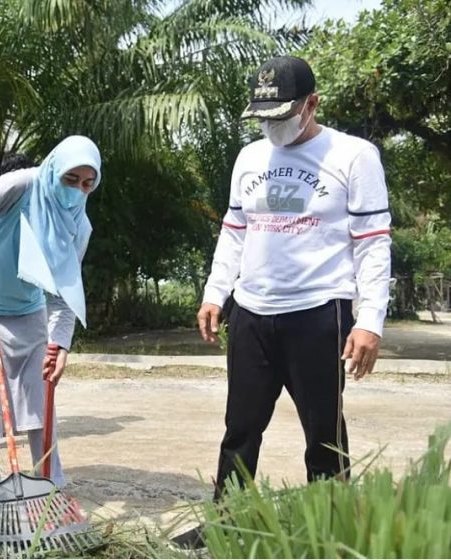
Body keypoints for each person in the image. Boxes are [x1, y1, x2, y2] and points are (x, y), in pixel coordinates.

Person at [174, 55, 392, 548]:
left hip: (319, 312)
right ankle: (226, 524)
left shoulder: (354, 156)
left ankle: (332, 525)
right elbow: (234, 232)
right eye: (264, 118)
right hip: (252, 311)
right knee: (240, 427)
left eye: (283, 115)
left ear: (312, 104)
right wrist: (216, 293)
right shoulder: (250, 159)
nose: (273, 127)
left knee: (323, 431)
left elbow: (373, 242)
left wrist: (370, 320)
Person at [0, 135, 101, 500]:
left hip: (29, 311)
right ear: (54, 170)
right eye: (70, 180)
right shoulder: (23, 184)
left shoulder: (79, 225)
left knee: (40, 404)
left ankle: (51, 491)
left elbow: (65, 289)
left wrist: (60, 343)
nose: (77, 191)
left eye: (87, 184)